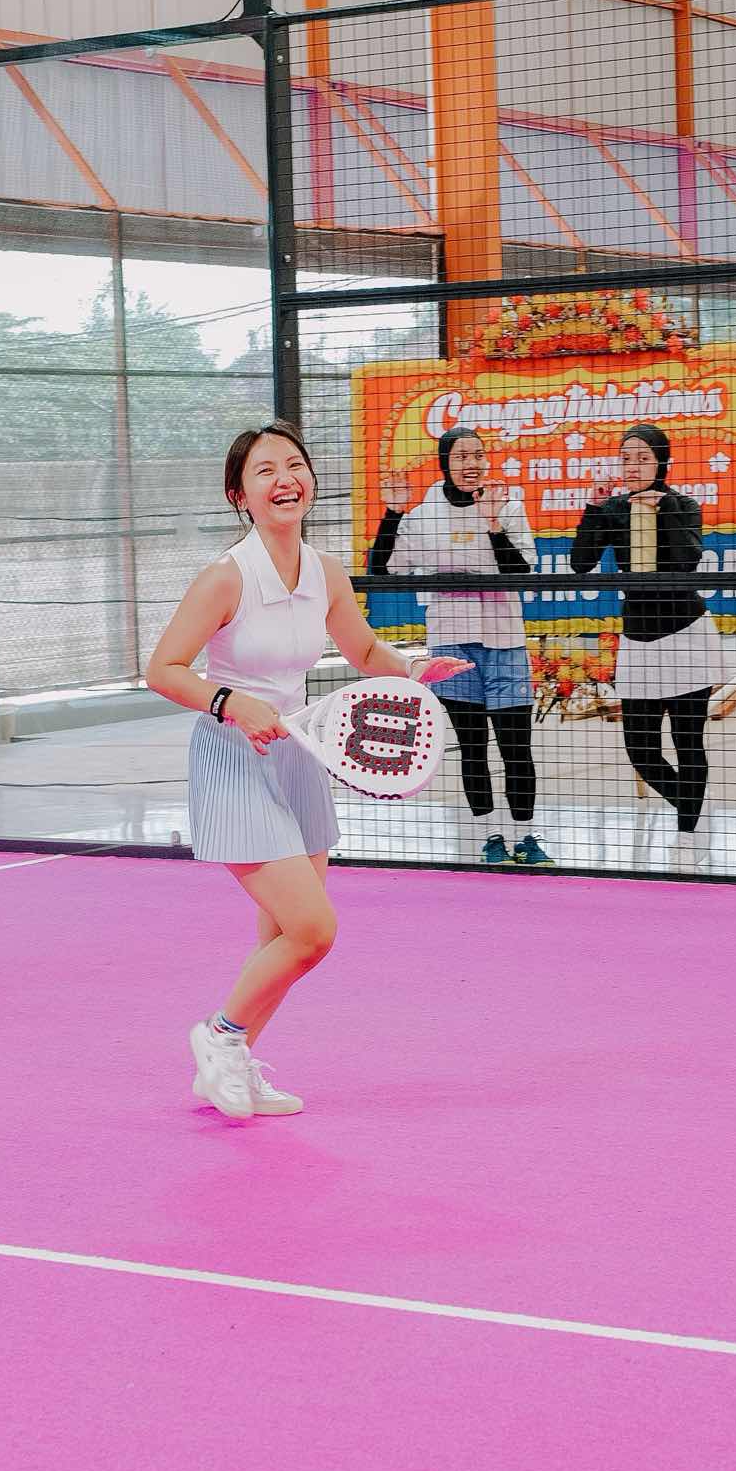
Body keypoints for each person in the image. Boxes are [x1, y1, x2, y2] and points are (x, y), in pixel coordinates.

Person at [145, 419, 465, 1120]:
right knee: (313, 930)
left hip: (299, 754)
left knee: (278, 937)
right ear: (240, 495)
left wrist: (414, 668)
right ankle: (219, 1035)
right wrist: (231, 702)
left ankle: (233, 1065)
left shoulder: (324, 571)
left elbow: (364, 651)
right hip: (234, 758)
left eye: (293, 465)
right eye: (264, 471)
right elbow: (163, 669)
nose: (284, 479)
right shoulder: (225, 577)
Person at [370, 425, 552, 868]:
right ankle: (491, 836)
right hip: (452, 645)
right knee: (473, 747)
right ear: (445, 464)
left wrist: (493, 523)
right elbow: (382, 571)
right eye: (461, 456)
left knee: (516, 748)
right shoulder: (423, 515)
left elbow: (522, 572)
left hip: (505, 641)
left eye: (478, 455)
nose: (472, 464)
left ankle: (526, 837)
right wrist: (393, 512)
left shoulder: (507, 504)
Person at [569, 423, 723, 849]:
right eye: (626, 459)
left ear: (661, 463)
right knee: (641, 750)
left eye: (643, 458)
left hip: (687, 636)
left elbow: (688, 561)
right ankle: (693, 808)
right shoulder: (614, 508)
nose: (633, 467)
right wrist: (593, 507)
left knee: (687, 741)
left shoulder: (683, 504)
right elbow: (580, 562)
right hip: (638, 642)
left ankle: (688, 836)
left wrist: (664, 510)